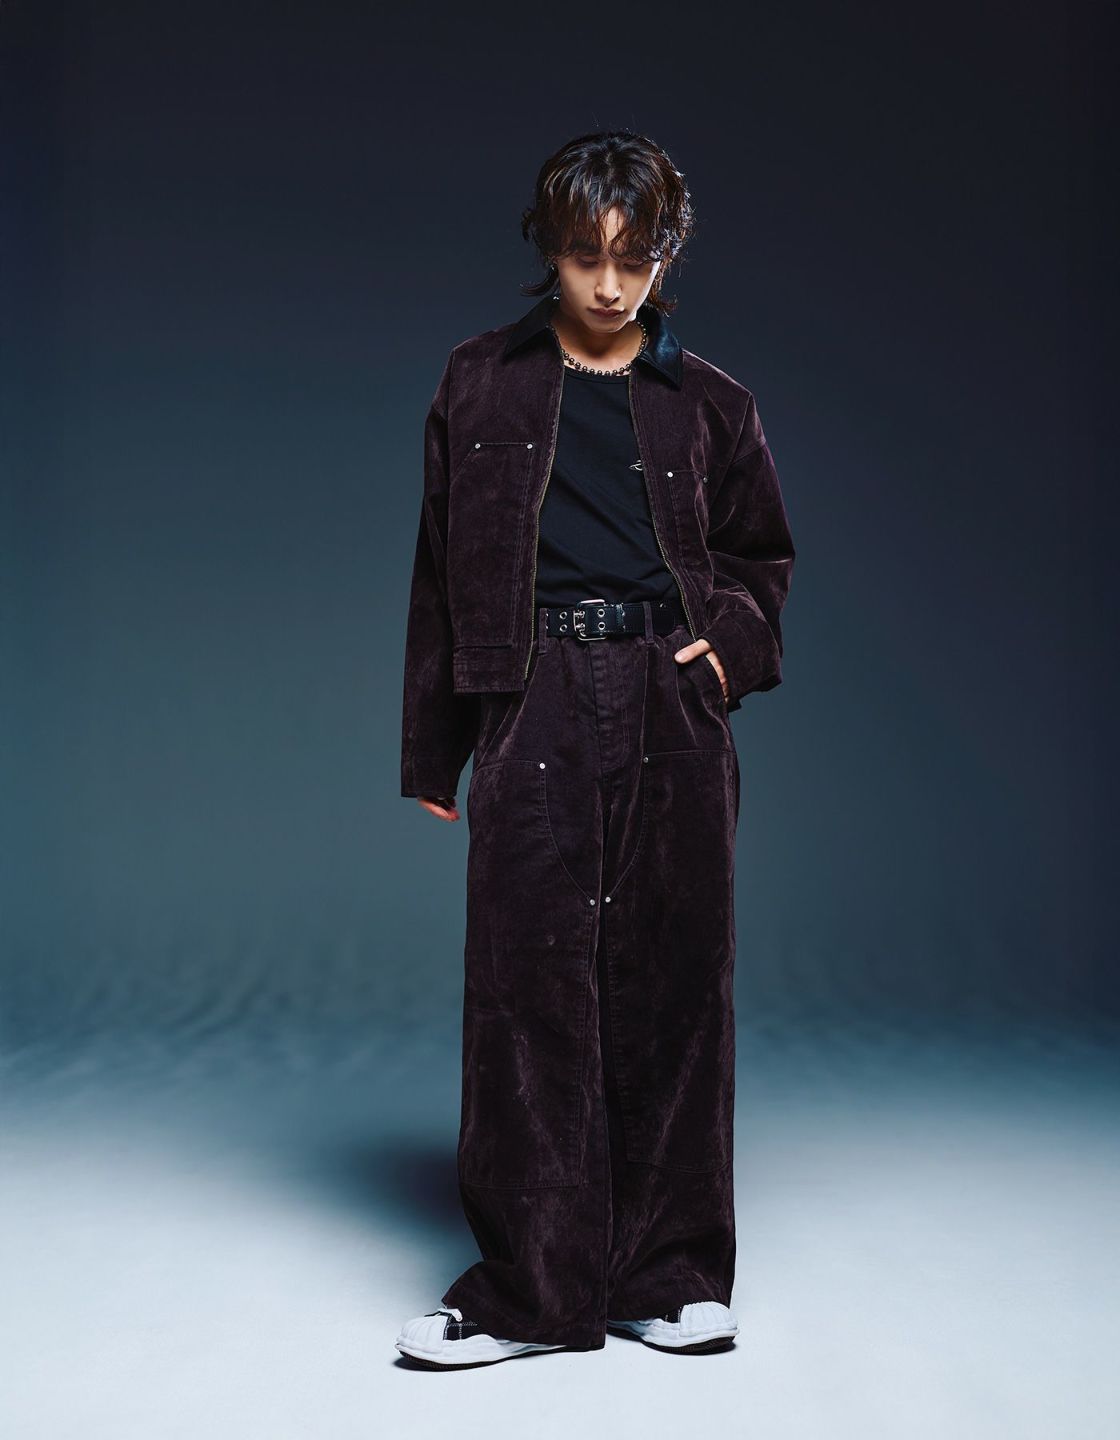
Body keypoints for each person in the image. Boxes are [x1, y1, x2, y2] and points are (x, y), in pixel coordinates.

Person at [395, 130, 795, 1368]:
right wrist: (435, 750)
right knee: (527, 989)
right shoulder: (478, 381)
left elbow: (762, 559)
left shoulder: (713, 402)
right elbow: (437, 572)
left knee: (677, 982)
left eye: (635, 259)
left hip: (671, 697)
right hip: (534, 698)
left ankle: (670, 1277)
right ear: (549, 251)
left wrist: (728, 653)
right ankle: (531, 1291)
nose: (611, 286)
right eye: (586, 258)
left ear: (667, 255)